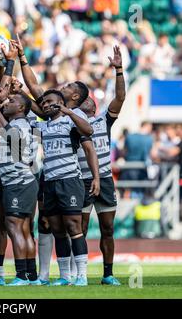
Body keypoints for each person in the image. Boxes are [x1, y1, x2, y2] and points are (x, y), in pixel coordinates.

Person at [30, 89, 93, 286]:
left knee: (74, 227)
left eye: (50, 102)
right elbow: (12, 127)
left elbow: (89, 131)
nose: (46, 105)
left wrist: (69, 112)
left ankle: (81, 275)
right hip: (49, 182)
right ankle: (65, 276)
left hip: (70, 180)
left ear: (61, 103)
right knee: (57, 230)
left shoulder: (71, 122)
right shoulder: (43, 126)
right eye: (44, 103)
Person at [0, 86, 40, 286]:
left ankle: (22, 275)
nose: (8, 103)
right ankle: (32, 275)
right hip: (23, 181)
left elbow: (7, 134)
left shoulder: (21, 125)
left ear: (22, 107)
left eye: (12, 101)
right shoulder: (22, 124)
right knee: (23, 229)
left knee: (14, 228)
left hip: (18, 181)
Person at [78, 46, 126, 286]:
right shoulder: (72, 122)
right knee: (81, 229)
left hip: (105, 179)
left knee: (108, 229)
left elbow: (120, 98)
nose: (86, 101)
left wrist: (118, 69)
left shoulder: (102, 121)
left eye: (90, 100)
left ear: (94, 107)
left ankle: (108, 273)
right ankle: (81, 274)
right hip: (83, 180)